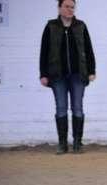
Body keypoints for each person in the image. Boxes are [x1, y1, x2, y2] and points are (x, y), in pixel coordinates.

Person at [39, 0, 96, 154]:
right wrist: (43, 74)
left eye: (72, 7)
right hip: (57, 75)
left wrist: (91, 71)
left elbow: (88, 49)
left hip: (78, 75)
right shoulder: (51, 26)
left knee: (78, 108)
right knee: (61, 108)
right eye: (67, 6)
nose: (70, 9)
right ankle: (62, 144)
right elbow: (44, 51)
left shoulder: (81, 26)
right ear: (59, 8)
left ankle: (77, 144)